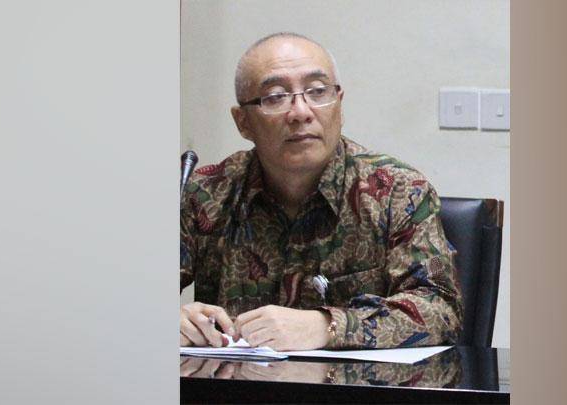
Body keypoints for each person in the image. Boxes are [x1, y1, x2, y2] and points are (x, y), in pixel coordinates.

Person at [180, 32, 461, 351]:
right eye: (275, 97)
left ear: (339, 105)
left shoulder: (397, 191)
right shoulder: (205, 193)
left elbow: (441, 310)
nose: (301, 112)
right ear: (243, 122)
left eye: (317, 91)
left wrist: (327, 326)